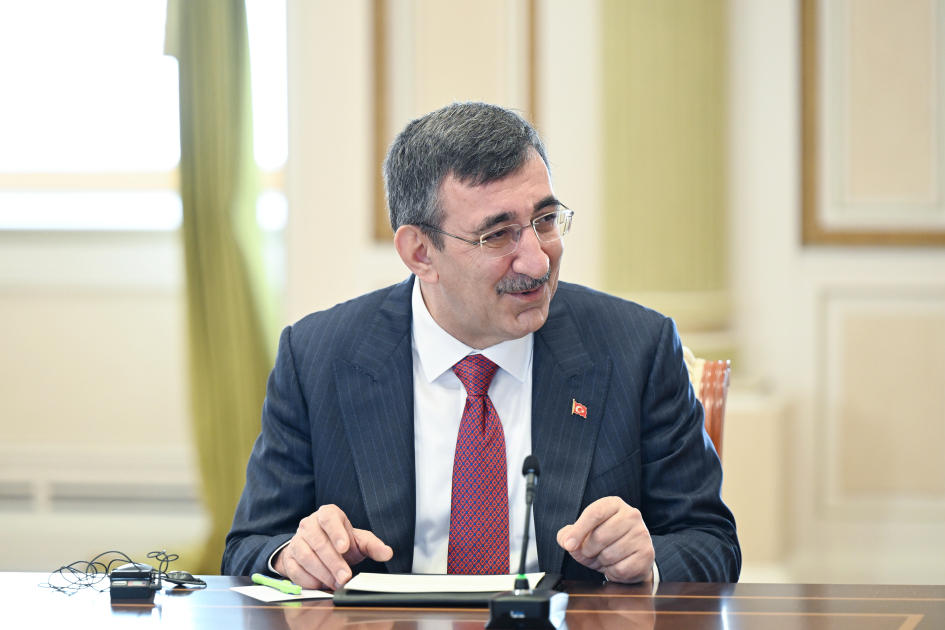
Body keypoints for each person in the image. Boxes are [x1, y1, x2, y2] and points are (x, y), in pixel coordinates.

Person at [222, 102, 740, 588]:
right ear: (420, 252)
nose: (538, 260)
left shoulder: (636, 348)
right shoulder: (317, 357)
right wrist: (291, 555)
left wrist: (649, 559)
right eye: (498, 235)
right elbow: (248, 549)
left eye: (544, 220)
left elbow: (711, 543)